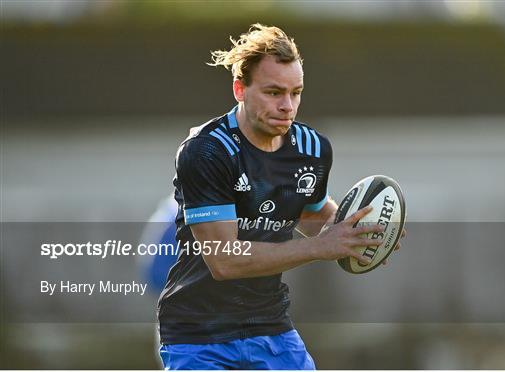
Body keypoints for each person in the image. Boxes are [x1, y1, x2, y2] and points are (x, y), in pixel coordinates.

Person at [157, 23, 403, 370]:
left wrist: (360, 234)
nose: (287, 106)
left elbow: (315, 218)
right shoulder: (207, 151)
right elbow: (224, 261)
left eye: (296, 92)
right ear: (240, 89)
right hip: (199, 336)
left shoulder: (312, 148)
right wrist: (322, 247)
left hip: (271, 328)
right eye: (274, 93)